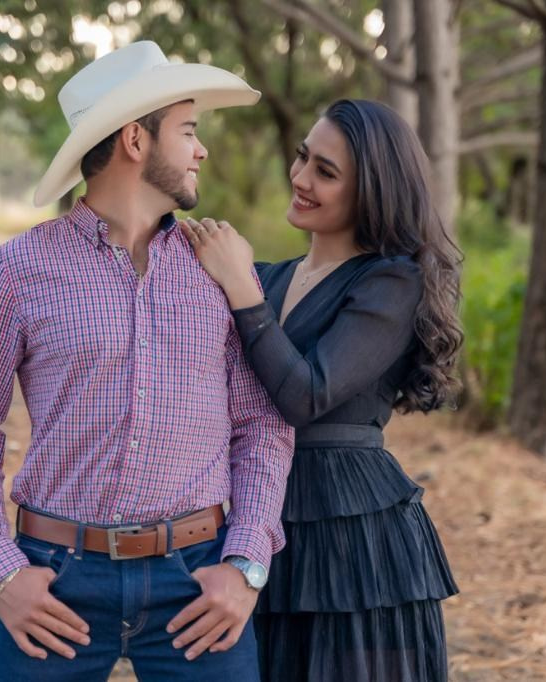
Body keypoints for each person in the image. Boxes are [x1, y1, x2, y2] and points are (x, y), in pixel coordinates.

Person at [0, 41, 294, 682]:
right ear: (135, 140)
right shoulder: (16, 272)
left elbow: (263, 425)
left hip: (196, 580)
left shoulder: (222, 270)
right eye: (187, 131)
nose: (200, 149)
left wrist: (247, 567)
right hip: (56, 580)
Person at [181, 99, 462, 682]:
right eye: (303, 158)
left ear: (372, 192)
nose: (301, 178)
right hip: (263, 519)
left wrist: (239, 286)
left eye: (326, 172)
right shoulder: (270, 279)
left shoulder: (391, 281)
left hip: (353, 535)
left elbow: (306, 395)